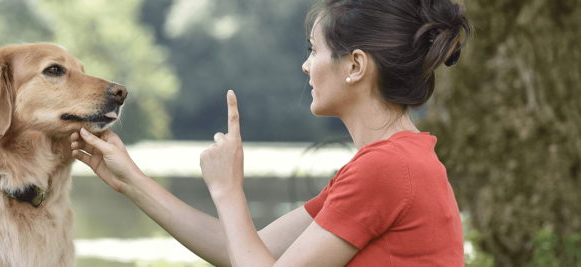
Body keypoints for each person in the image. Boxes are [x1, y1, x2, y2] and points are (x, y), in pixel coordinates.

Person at [70, 0, 472, 266]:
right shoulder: (393, 161)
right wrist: (132, 181)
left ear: (355, 67)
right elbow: (244, 251)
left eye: (313, 50)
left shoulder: (386, 169)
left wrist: (228, 190)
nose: (305, 66)